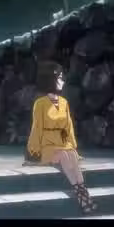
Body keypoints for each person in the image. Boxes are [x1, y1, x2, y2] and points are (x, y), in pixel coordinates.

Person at [25, 61, 98, 214]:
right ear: (50, 80)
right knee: (64, 155)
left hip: (62, 142)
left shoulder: (64, 102)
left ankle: (82, 191)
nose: (63, 80)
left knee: (71, 154)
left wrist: (72, 145)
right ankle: (81, 195)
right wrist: (32, 153)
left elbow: (68, 126)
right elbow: (36, 128)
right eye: (59, 77)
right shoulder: (40, 103)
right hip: (47, 145)